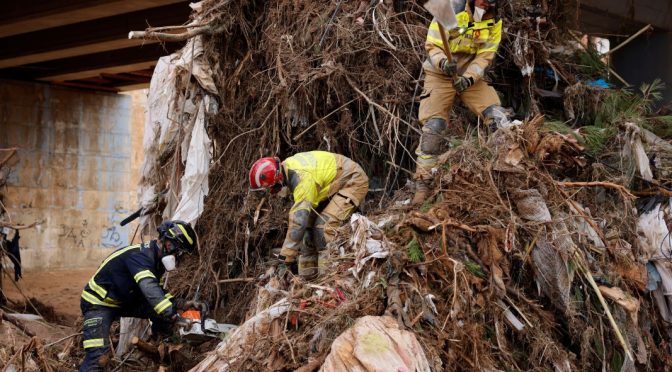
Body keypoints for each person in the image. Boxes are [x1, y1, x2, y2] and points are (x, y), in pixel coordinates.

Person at [413, 0, 508, 205]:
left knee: (497, 119)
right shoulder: (452, 9)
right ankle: (422, 185)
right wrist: (443, 63)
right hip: (440, 74)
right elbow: (433, 45)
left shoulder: (495, 21)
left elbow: (485, 56)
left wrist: (469, 78)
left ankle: (502, 177)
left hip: (469, 77)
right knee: (433, 129)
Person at [79, 220, 196, 371]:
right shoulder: (141, 256)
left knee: (161, 312)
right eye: (177, 250)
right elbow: (149, 289)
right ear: (166, 241)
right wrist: (174, 316)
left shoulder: (156, 262)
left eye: (181, 253)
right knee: (98, 358)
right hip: (98, 304)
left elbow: (158, 294)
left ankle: (168, 346)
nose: (177, 256)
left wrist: (181, 304)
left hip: (124, 301)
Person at [249, 151, 369, 279]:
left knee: (323, 228)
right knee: (307, 233)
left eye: (271, 189)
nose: (273, 193)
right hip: (333, 182)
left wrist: (286, 258)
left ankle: (329, 276)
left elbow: (298, 221)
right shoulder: (288, 169)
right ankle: (308, 280)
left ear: (277, 179)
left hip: (352, 180)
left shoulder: (301, 179)